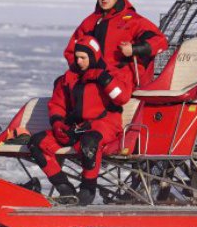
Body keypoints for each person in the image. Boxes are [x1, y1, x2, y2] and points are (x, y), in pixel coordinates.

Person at [28, 36, 132, 205]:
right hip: (76, 127)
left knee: (89, 142)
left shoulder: (111, 74)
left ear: (93, 56)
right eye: (77, 57)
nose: (79, 61)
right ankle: (65, 189)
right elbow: (57, 104)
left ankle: (87, 190)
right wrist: (58, 123)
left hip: (104, 126)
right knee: (37, 142)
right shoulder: (69, 78)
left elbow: (122, 98)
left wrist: (103, 79)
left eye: (83, 57)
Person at [64, 0, 168, 88]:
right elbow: (71, 51)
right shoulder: (90, 22)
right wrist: (81, 67)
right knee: (63, 83)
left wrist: (134, 49)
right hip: (94, 75)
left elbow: (160, 41)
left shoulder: (133, 21)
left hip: (123, 78)